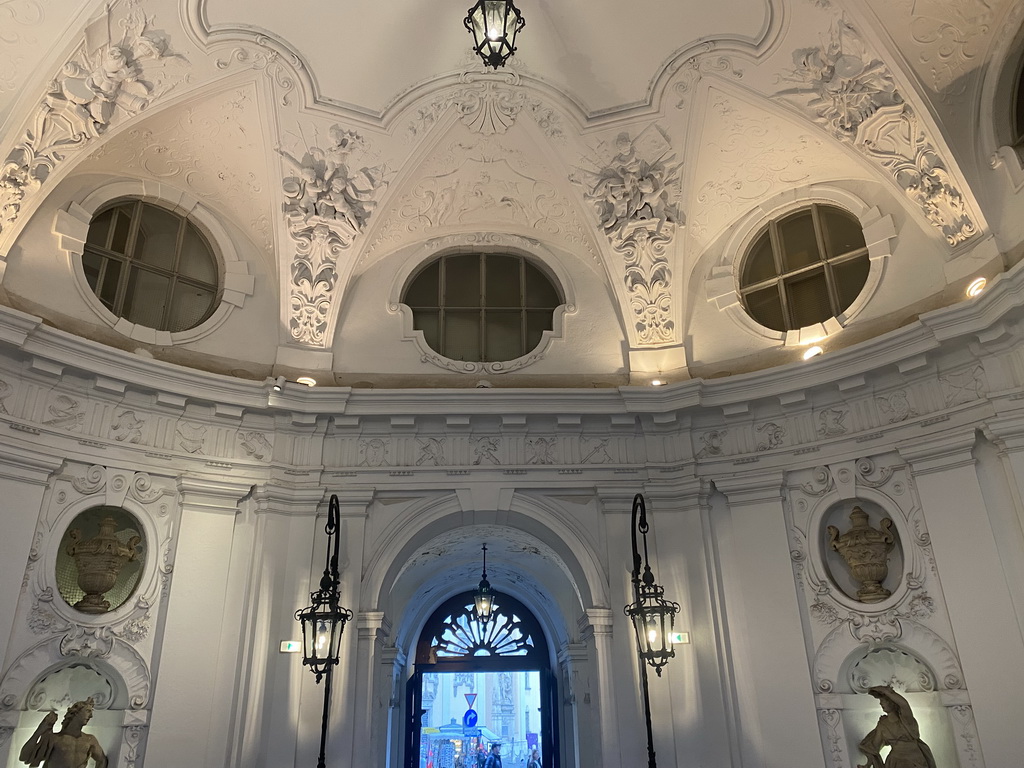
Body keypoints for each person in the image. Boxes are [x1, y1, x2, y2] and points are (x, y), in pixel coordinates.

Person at [857, 686, 936, 768]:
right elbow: (874, 748)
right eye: (880, 701)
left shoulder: (905, 719)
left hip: (914, 759)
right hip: (895, 762)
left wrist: (888, 692)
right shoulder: (882, 724)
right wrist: (868, 764)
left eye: (884, 701)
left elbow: (904, 704)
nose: (881, 703)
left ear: (893, 702)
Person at [19, 698, 107, 768]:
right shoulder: (55, 738)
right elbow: (24, 757)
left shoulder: (90, 740)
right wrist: (39, 731)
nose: (91, 716)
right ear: (76, 712)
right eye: (88, 711)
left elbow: (102, 760)